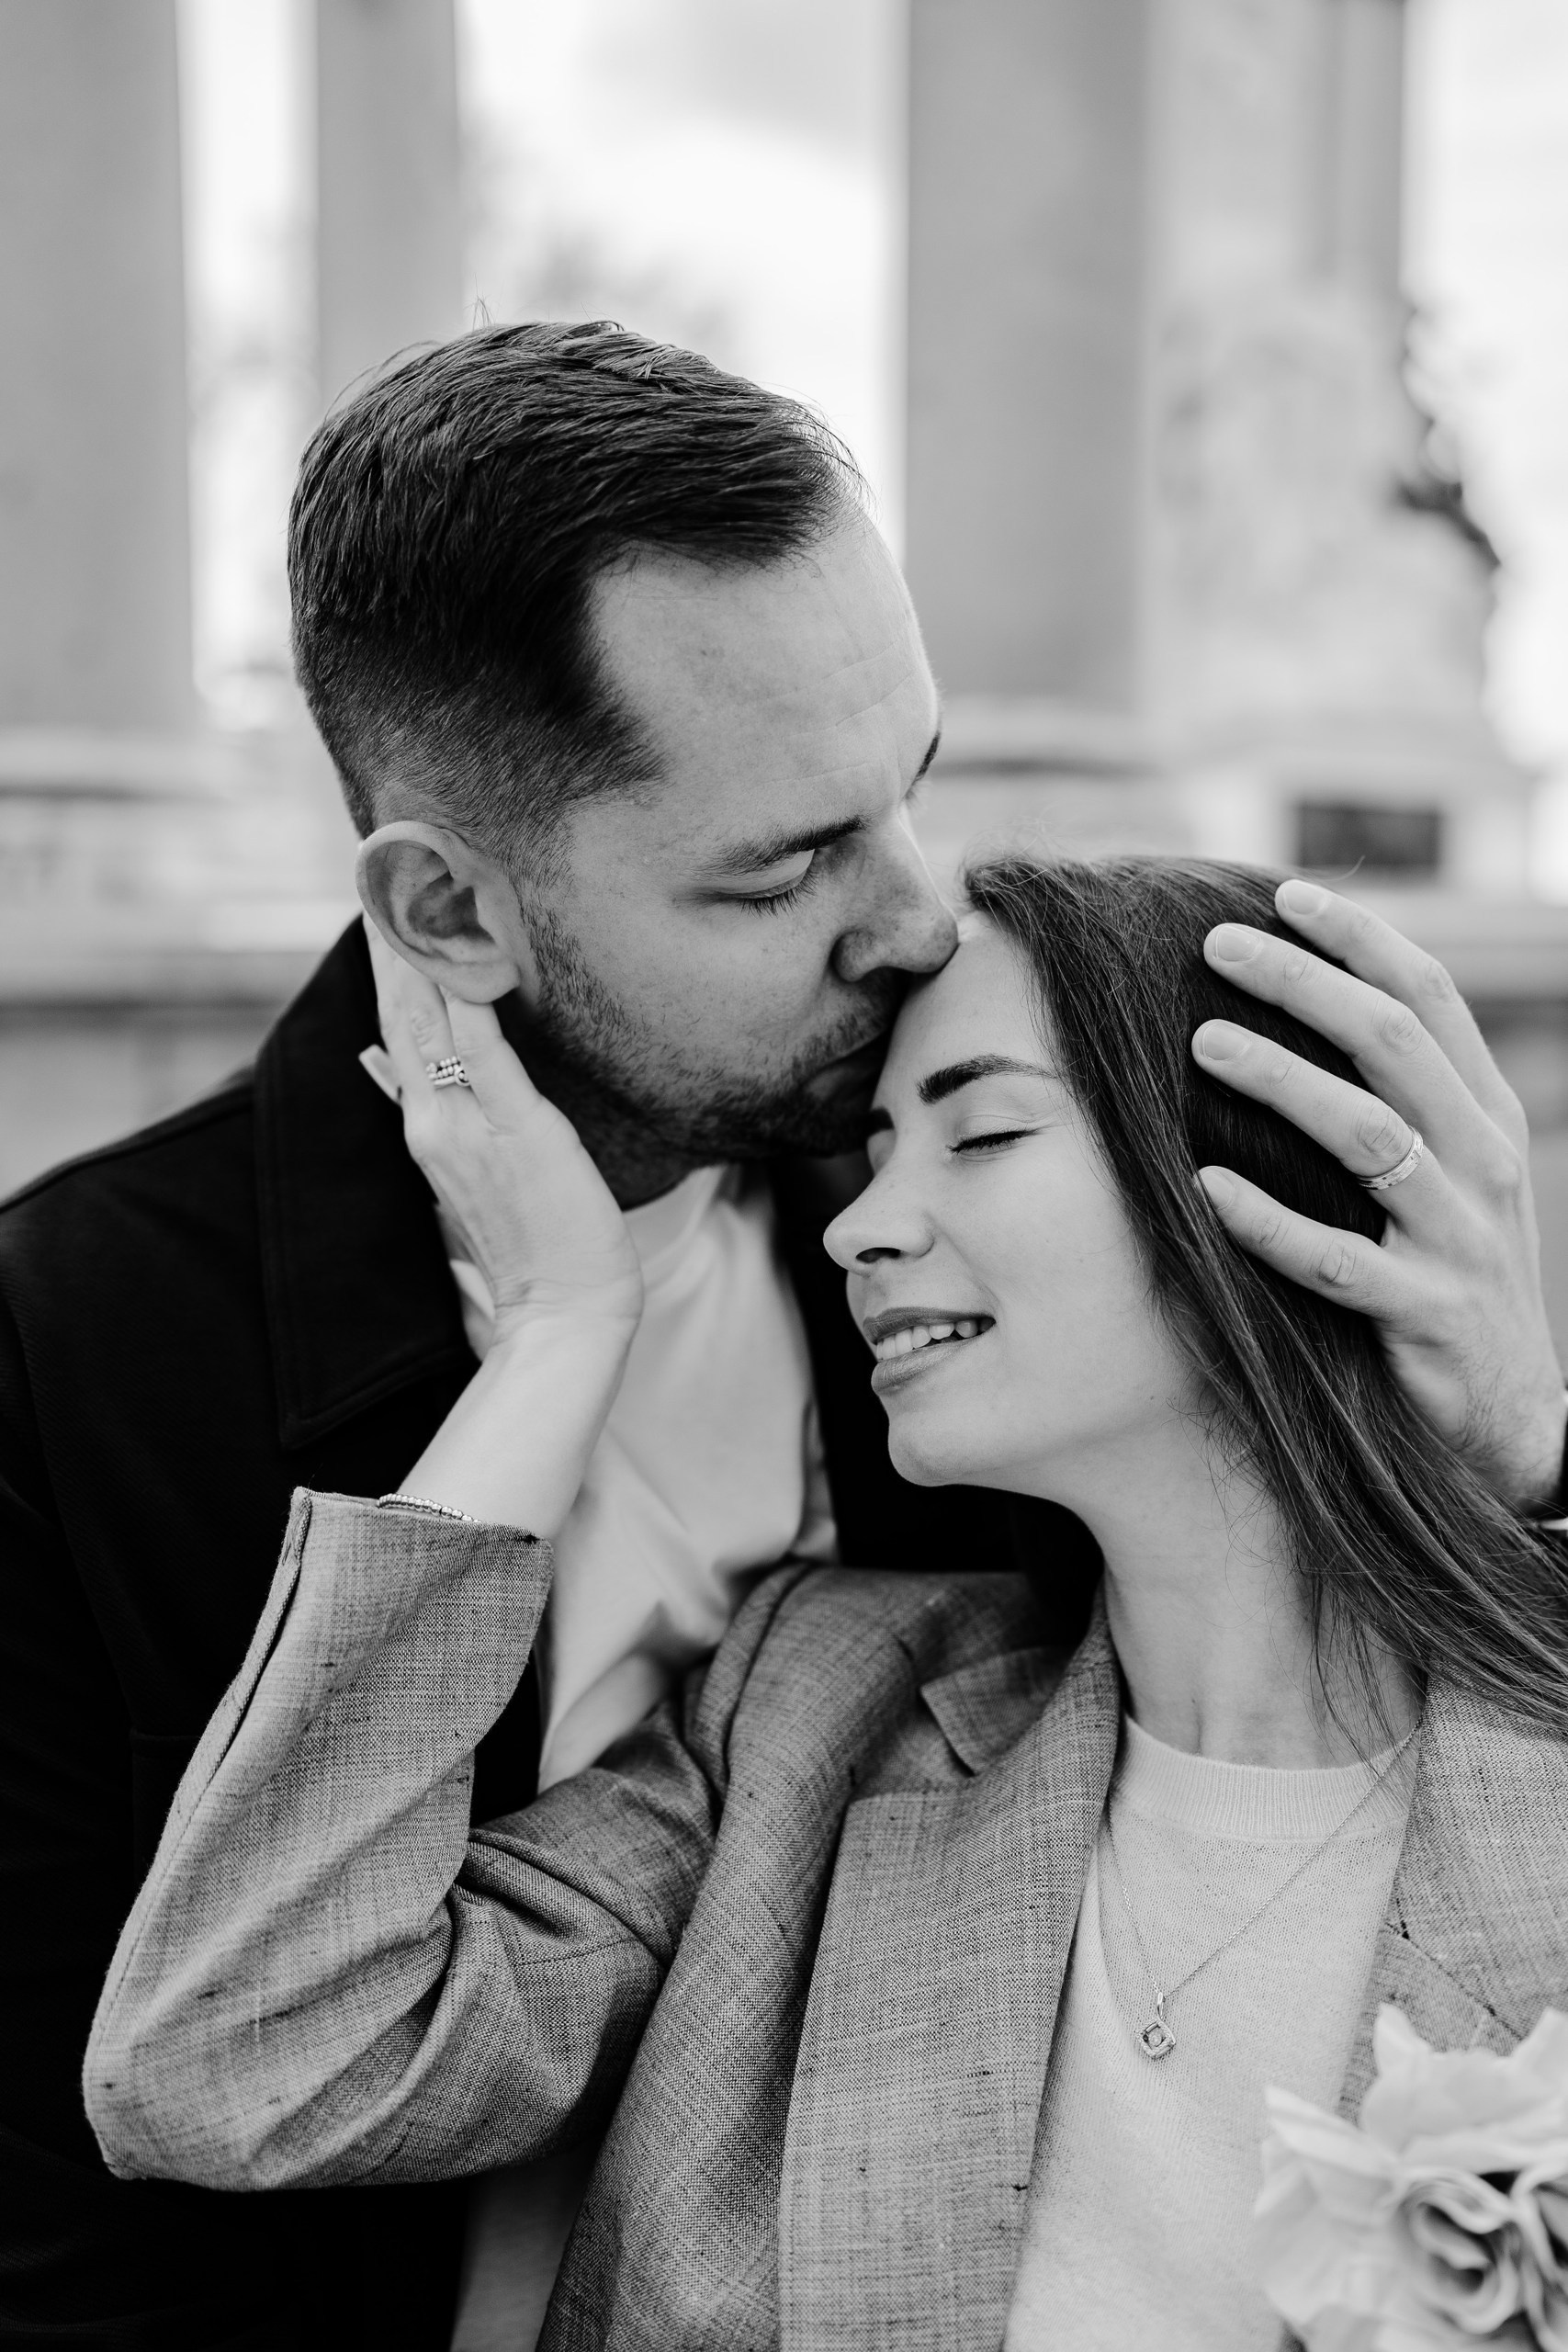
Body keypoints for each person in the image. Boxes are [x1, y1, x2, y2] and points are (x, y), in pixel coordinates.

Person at [3, 325, 1562, 2352]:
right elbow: (164, 2120)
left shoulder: (935, 1210)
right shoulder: (79, 1352)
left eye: (905, 789)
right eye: (784, 865)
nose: (910, 917)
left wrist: (1513, 1451)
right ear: (451, 914)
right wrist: (557, 1339)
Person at [85, 853, 1568, 2351]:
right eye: (873, 1153)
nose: (859, 1227)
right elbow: (245, 2060)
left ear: (1268, 1182)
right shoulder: (808, 1721)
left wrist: (1535, 1447)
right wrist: (558, 1329)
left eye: (984, 1133)